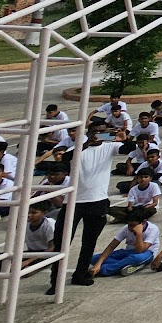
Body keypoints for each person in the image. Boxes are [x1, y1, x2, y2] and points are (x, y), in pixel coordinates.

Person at [65, 123, 116, 290]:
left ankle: (79, 274)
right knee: (63, 241)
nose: (98, 135)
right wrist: (86, 144)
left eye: (102, 132)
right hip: (74, 202)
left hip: (97, 200)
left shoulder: (109, 147)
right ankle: (55, 280)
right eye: (95, 132)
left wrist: (121, 137)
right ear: (88, 133)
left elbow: (128, 147)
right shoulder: (78, 148)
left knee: (89, 242)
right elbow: (66, 159)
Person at [89, 207, 159, 277]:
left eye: (133, 225)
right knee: (94, 258)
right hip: (128, 252)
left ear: (143, 222)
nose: (130, 228)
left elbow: (139, 250)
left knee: (137, 258)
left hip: (146, 253)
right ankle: (125, 265)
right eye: (129, 225)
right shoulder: (126, 228)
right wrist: (98, 264)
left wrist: (139, 234)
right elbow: (111, 246)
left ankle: (104, 270)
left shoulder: (152, 229)